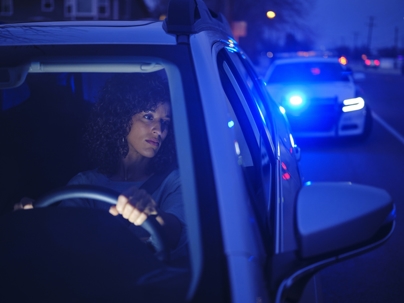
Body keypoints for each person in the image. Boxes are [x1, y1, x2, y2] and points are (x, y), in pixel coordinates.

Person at [14, 72, 187, 260]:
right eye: (148, 116)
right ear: (121, 118)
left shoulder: (174, 181)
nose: (159, 129)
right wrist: (35, 220)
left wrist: (154, 213)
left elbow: (174, 232)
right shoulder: (85, 183)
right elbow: (62, 236)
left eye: (165, 122)